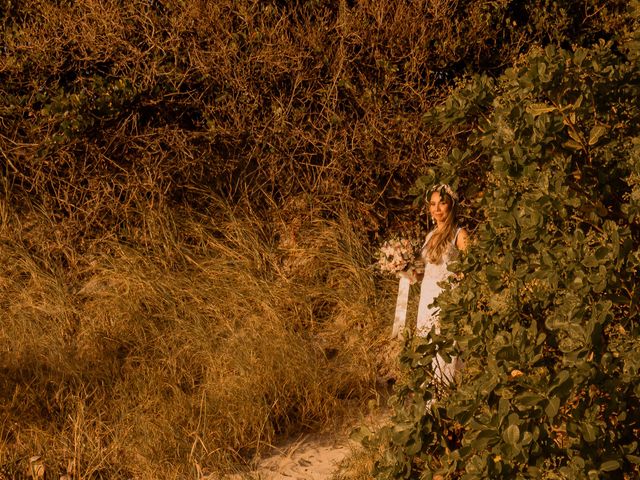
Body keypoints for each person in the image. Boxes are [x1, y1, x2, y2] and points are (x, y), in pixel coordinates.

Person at [415, 183, 469, 387]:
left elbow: (470, 267)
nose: (437, 208)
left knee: (444, 351)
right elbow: (426, 272)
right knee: (427, 348)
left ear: (451, 206)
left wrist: (455, 291)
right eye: (433, 204)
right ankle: (430, 402)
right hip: (426, 299)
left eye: (442, 203)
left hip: (446, 301)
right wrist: (405, 269)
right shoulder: (430, 236)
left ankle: (446, 397)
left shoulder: (459, 234)